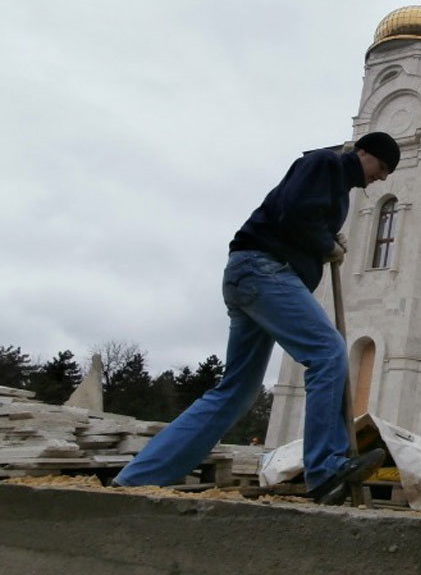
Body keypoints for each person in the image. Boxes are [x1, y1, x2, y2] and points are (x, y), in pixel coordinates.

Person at [113, 132, 400, 505]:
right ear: (363, 152)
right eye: (382, 166)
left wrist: (328, 240)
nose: (383, 177)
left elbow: (303, 218)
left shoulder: (336, 188)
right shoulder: (325, 163)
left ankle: (137, 478)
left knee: (235, 392)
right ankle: (326, 468)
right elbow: (294, 212)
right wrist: (325, 243)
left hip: (251, 276)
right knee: (328, 351)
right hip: (264, 270)